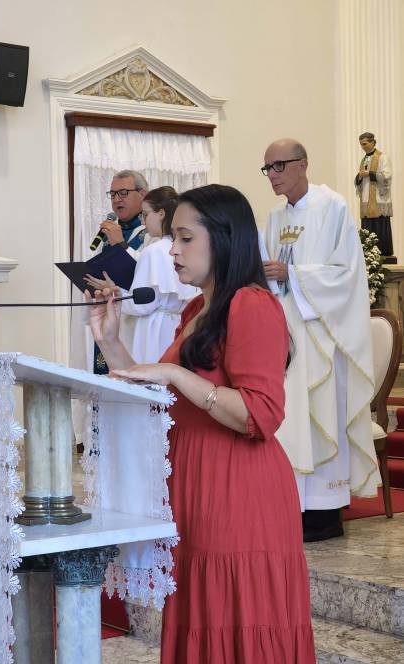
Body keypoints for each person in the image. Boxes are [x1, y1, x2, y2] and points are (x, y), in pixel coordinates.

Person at [86, 184, 315, 663]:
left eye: (185, 238)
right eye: (173, 238)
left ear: (225, 238)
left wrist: (174, 373)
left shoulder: (251, 304)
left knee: (236, 619)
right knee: (203, 616)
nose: (172, 250)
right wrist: (110, 343)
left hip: (238, 489)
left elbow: (260, 413)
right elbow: (164, 399)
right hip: (195, 483)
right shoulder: (198, 308)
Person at [262, 138, 380, 542]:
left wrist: (293, 275)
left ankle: (324, 513)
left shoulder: (333, 207)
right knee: (291, 423)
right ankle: (291, 506)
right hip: (285, 337)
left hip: (322, 337)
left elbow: (346, 273)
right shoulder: (274, 218)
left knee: (319, 420)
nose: (272, 175)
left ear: (303, 164)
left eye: (279, 166)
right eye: (268, 168)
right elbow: (269, 276)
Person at [85, 186, 199, 363]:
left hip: (154, 331)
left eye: (145, 215)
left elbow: (142, 305)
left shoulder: (154, 250)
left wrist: (113, 292)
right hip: (176, 325)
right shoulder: (181, 247)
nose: (143, 222)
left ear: (161, 214)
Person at [93, 169, 149, 374]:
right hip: (109, 314)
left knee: (130, 377)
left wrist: (121, 245)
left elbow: (146, 274)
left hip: (134, 320)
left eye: (123, 193)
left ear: (142, 194)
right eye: (113, 194)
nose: (117, 199)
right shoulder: (110, 232)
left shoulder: (151, 233)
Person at [355, 131, 394, 260]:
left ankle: (383, 252)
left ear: (373, 142)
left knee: (380, 226)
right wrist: (359, 177)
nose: (363, 147)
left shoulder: (382, 157)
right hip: (366, 200)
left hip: (378, 199)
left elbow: (387, 176)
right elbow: (359, 180)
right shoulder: (364, 160)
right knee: (367, 227)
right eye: (361, 144)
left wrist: (370, 174)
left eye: (365, 144)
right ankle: (368, 253)